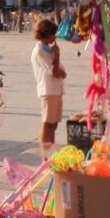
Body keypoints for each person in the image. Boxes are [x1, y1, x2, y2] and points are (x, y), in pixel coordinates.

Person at [31, 18, 67, 158]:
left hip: (55, 89)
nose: (55, 37)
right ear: (47, 34)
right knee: (47, 123)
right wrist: (57, 54)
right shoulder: (39, 51)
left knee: (53, 124)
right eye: (53, 34)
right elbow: (55, 71)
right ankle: (45, 157)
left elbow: (60, 72)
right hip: (48, 90)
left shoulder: (48, 49)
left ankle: (50, 153)